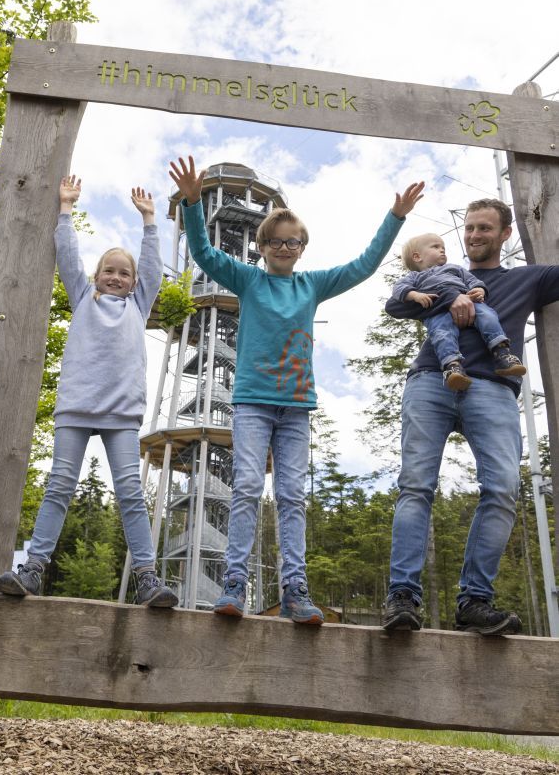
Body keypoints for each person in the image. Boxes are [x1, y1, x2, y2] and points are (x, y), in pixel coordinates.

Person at [170, 155, 424, 625]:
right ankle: (232, 585)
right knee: (246, 486)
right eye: (277, 241)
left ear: (302, 248)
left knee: (291, 496)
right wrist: (190, 203)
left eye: (294, 241)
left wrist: (396, 218)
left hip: (296, 406)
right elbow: (205, 255)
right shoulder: (248, 279)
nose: (285, 247)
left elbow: (364, 265)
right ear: (262, 247)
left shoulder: (312, 284)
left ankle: (294, 589)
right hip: (252, 402)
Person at [0, 175, 177, 608]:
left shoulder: (138, 304)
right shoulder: (82, 296)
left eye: (123, 273)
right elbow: (68, 257)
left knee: (131, 493)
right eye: (109, 271)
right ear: (96, 276)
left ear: (134, 282)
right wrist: (65, 210)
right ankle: (34, 567)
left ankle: (147, 578)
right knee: (59, 485)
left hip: (120, 415)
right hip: (76, 409)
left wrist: (150, 220)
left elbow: (151, 265)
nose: (116, 277)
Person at [383, 198, 559, 636]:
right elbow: (398, 303)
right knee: (416, 486)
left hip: (495, 390)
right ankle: (402, 596)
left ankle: (474, 601)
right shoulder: (438, 275)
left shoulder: (527, 279)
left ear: (505, 235)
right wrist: (452, 296)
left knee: (501, 489)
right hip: (431, 382)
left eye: (485, 228)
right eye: (470, 229)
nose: (475, 236)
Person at [390, 232, 525, 391]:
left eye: (443, 247)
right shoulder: (414, 277)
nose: (442, 250)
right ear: (417, 257)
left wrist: (479, 290)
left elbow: (473, 281)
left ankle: (502, 354)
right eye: (435, 247)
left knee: (488, 315)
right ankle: (452, 366)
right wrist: (415, 295)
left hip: (468, 301)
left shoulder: (454, 269)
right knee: (442, 332)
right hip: (437, 311)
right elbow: (398, 289)